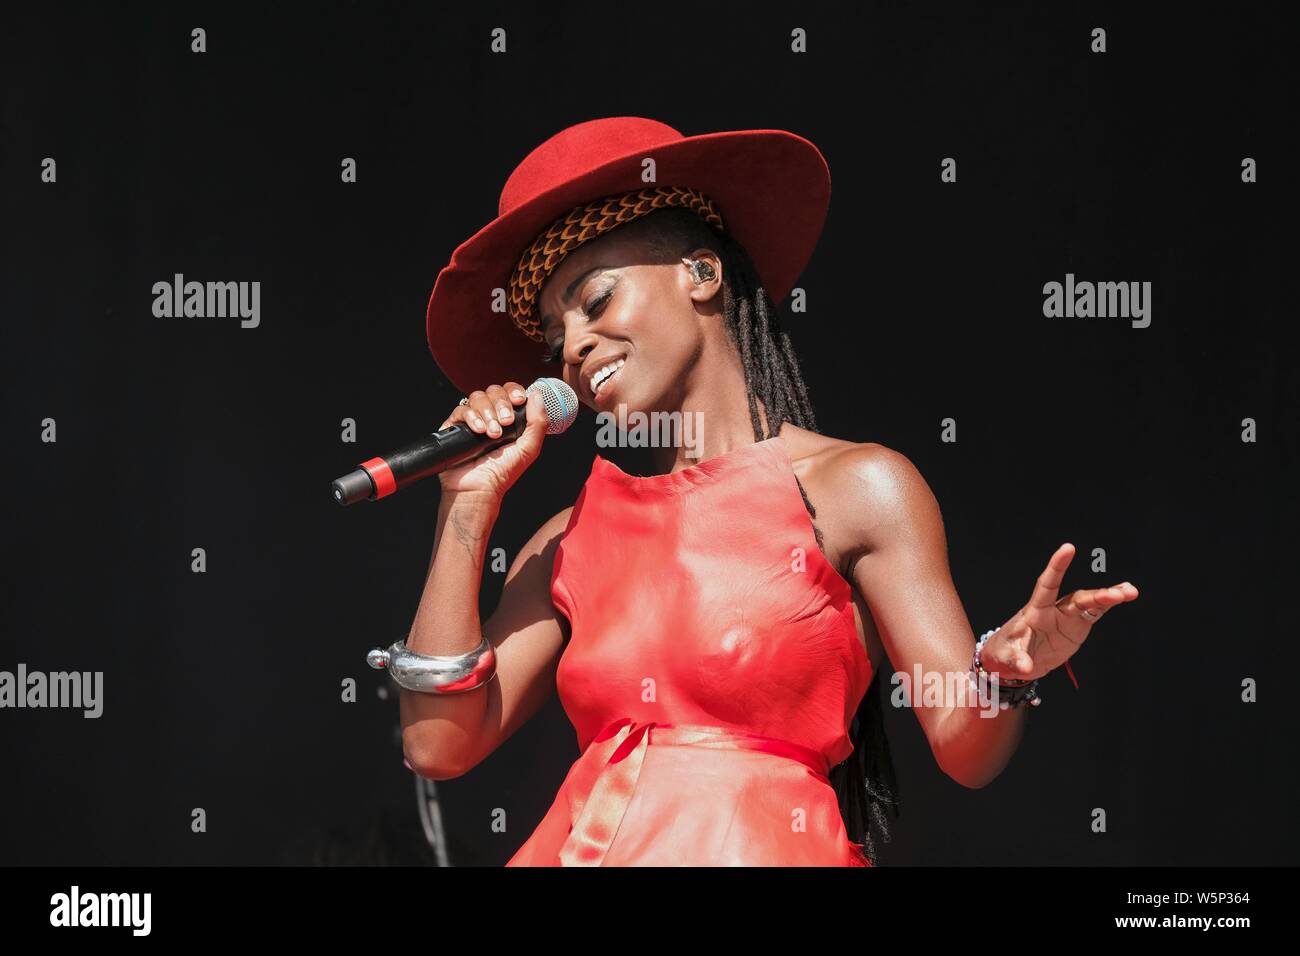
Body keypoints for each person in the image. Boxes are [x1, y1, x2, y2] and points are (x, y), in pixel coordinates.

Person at [392, 117, 1139, 866]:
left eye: (595, 301)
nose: (576, 348)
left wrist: (1001, 677)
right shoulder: (569, 538)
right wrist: (467, 501)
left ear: (702, 275)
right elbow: (437, 743)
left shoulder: (857, 488)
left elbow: (963, 748)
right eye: (558, 339)